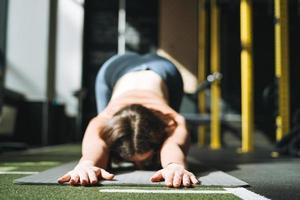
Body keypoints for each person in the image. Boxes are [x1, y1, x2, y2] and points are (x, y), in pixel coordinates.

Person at [58, 52, 199, 187]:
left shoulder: (171, 120)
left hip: (165, 72)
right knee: (103, 144)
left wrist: (174, 165)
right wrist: (87, 164)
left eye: (145, 160)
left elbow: (173, 144)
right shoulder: (103, 120)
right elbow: (96, 145)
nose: (138, 167)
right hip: (115, 69)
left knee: (174, 139)